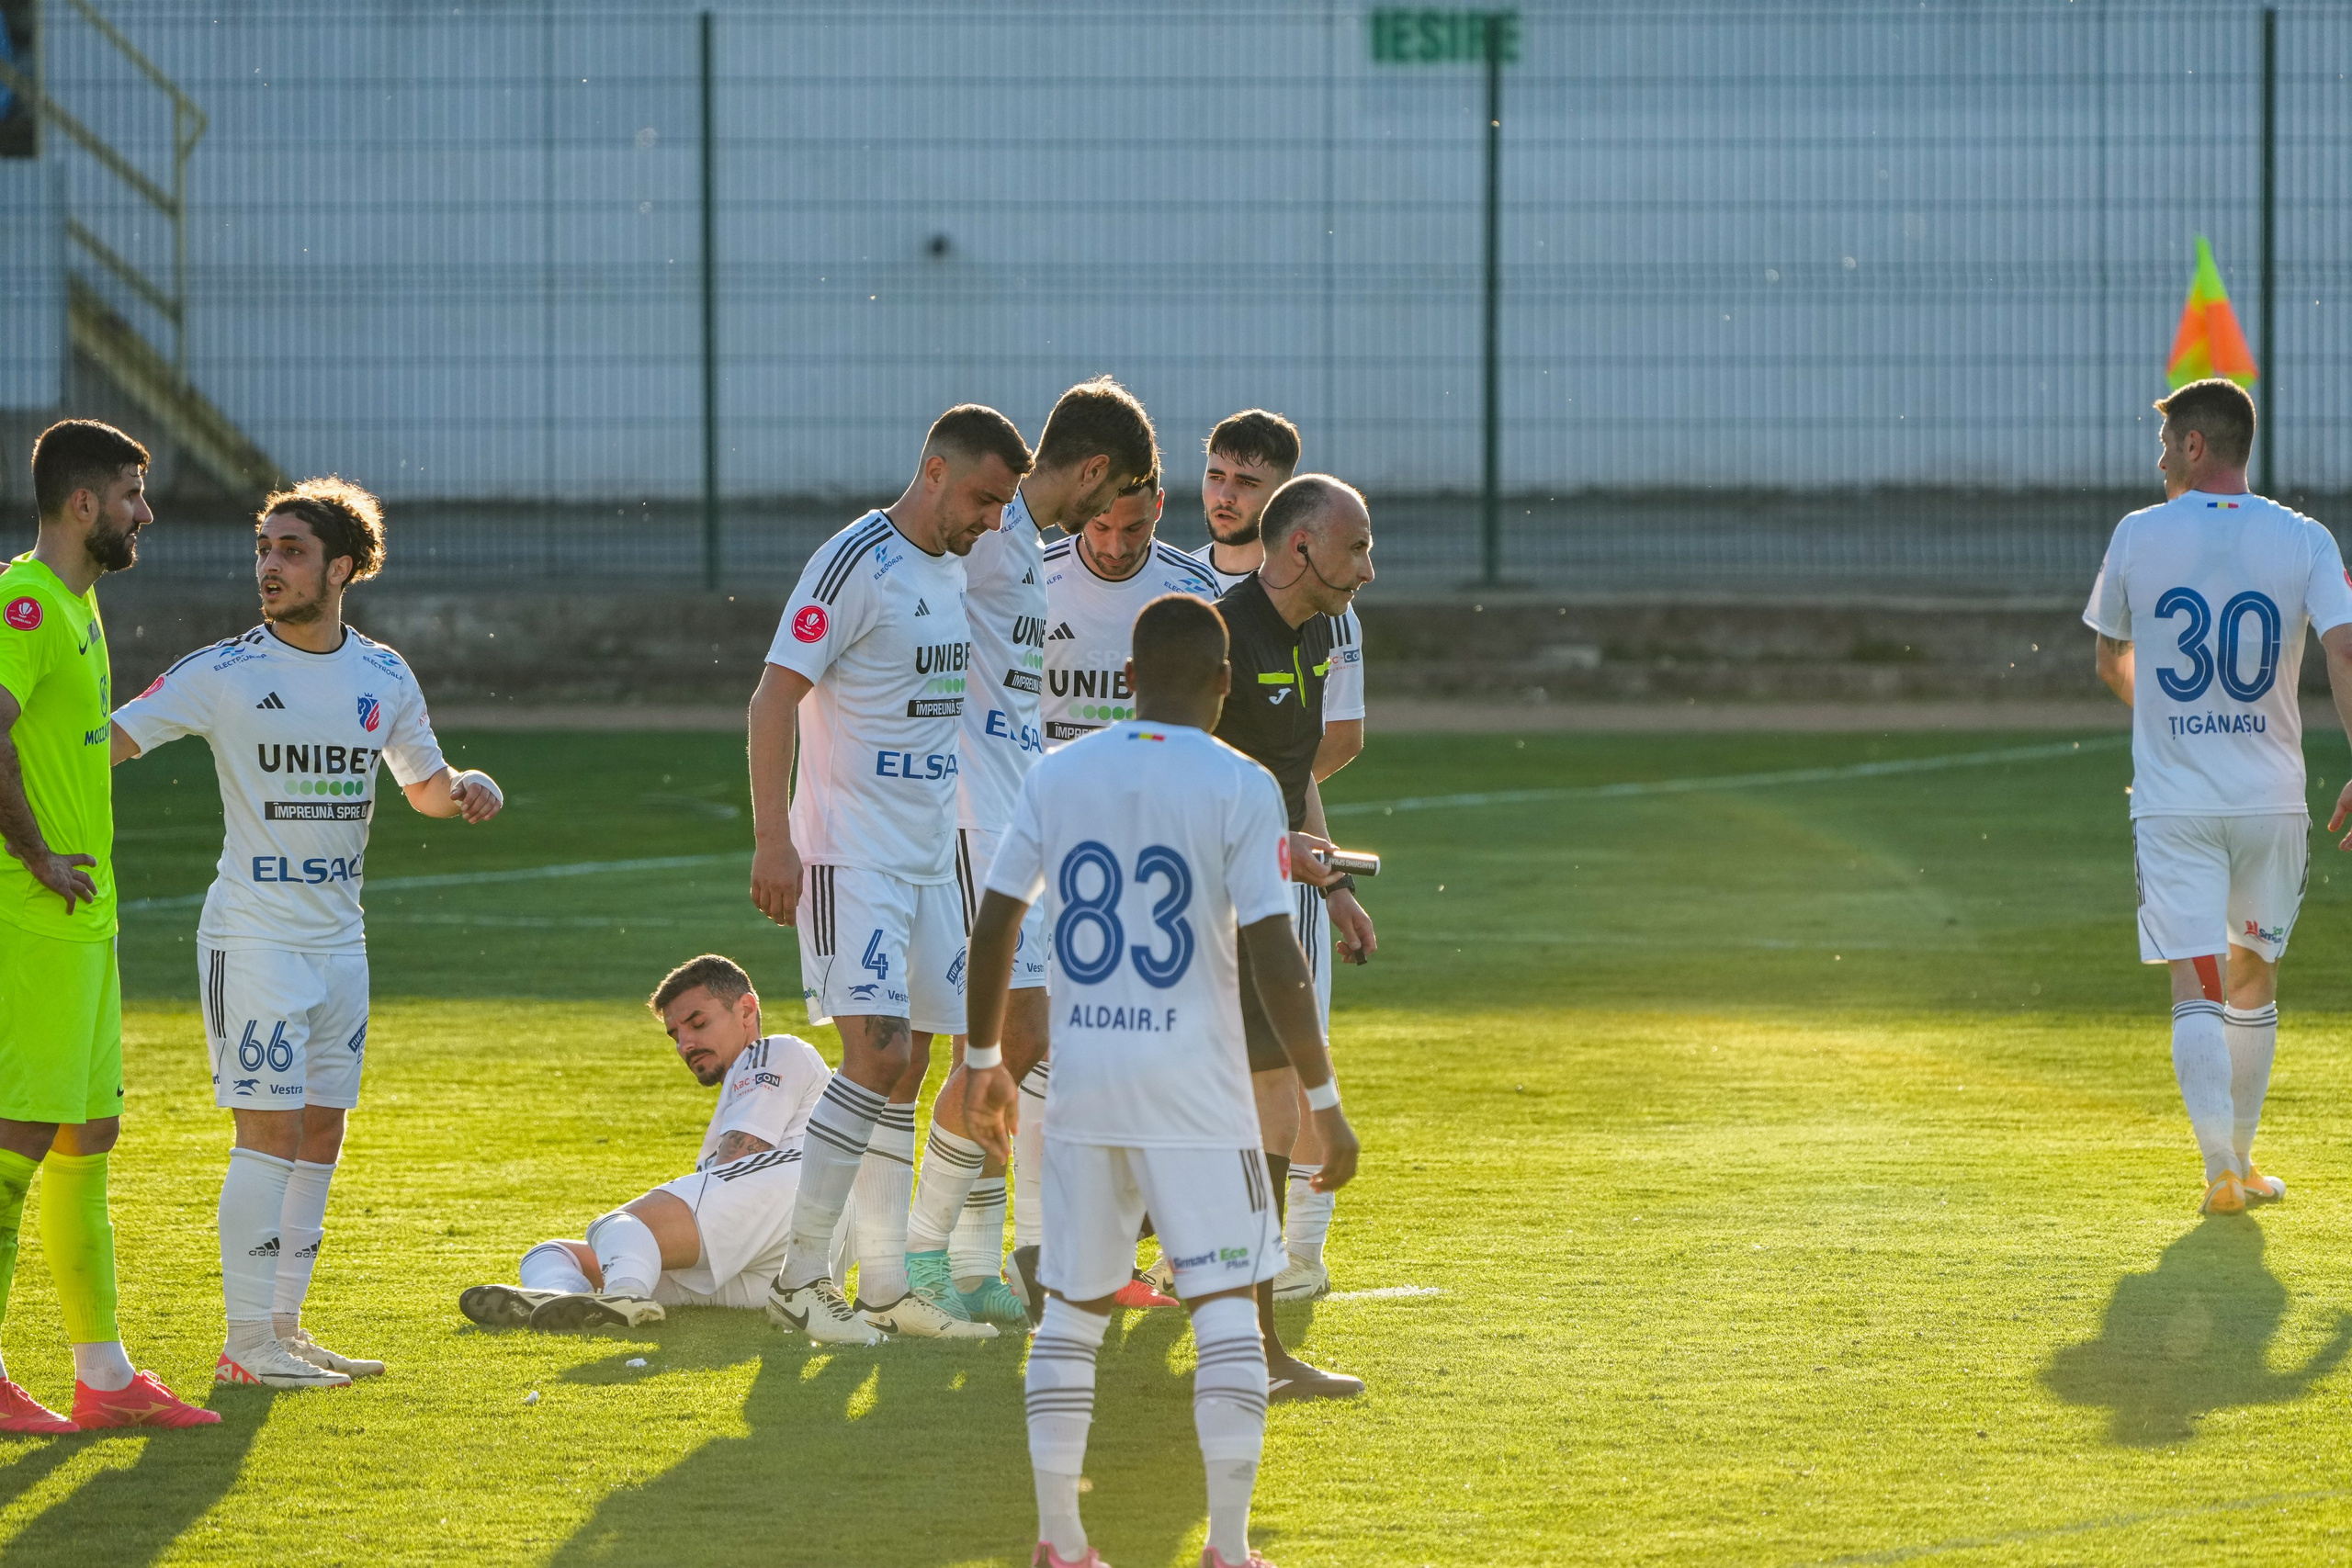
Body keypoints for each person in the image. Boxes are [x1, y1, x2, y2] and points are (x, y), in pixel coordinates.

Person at [959, 592, 1360, 1568]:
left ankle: (1062, 1542)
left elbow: (996, 922)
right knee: (1224, 1307)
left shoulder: (1059, 773)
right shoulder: (1240, 784)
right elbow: (1275, 956)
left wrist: (981, 1063)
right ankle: (1226, 1546)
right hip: (1198, 1093)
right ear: (1224, 686)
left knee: (1072, 1315)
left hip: (1088, 1089)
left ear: (1126, 680)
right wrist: (1322, 1103)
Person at [111, 476, 506, 1389]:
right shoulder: (224, 672)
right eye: (264, 549)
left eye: (290, 551)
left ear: (341, 567)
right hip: (253, 936)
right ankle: (245, 1344)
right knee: (268, 1129)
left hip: (339, 944)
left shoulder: (382, 674)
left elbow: (424, 786)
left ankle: (283, 1329)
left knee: (321, 1128)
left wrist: (466, 789)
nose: (269, 567)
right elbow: (112, 740)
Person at [748, 403, 1028, 1344]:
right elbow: (772, 698)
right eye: (985, 499)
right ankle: (797, 1281)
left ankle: (881, 1288)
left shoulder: (949, 569)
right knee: (873, 1055)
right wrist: (773, 839)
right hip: (848, 856)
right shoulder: (855, 561)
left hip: (926, 861)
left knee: (905, 1064)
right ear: (935, 470)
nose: (992, 523)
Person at [903, 378, 1159, 1332]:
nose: (1112, 515)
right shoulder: (987, 536)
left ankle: (980, 1263)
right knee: (1008, 1040)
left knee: (1029, 1043)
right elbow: (898, 613)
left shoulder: (1023, 546)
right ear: (1094, 469)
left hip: (1019, 813)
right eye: (1115, 490)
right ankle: (924, 1253)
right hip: (970, 822)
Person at [2085, 377, 2352, 1216]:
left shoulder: (2137, 534)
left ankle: (2218, 1172)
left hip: (2174, 805)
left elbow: (2108, 660)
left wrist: (2171, 715)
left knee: (2194, 980)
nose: (2160, 457)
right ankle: (2242, 1158)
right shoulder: (2306, 539)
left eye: (2168, 443)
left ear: (2197, 445)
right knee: (2255, 974)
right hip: (2272, 801)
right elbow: (2344, 653)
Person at [0, 419, 216, 1431]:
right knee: (16, 1136)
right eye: (133, 493)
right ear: (83, 504)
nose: (146, 512)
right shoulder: (28, 603)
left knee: (89, 1134)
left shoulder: (77, 606)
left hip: (85, 922)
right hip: (31, 916)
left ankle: (104, 1375)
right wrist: (36, 856)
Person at [1187, 412, 1366, 1301]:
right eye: (1358, 549)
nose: (1369, 570)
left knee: (1277, 1069)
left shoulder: (1319, 633)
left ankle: (1262, 1270)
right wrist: (1274, 838)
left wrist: (1331, 883)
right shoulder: (1217, 633)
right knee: (1205, 1083)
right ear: (1302, 549)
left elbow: (1294, 777)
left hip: (1271, 893)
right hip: (1199, 904)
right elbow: (1179, 783)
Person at [459, 954, 830, 1328]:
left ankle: (626, 1295)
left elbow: (738, 1164)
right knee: (552, 1253)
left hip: (790, 1210)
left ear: (746, 1010)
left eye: (698, 1023)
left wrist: (657, 1226)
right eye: (675, 1035)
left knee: (618, 1227)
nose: (685, 1044)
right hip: (770, 1274)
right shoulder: (741, 1090)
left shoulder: (775, 1051)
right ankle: (561, 1299)